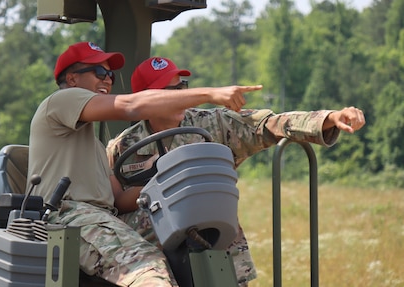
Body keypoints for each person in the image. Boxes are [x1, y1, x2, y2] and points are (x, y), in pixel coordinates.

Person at [106, 57, 366, 286]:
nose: (181, 95)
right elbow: (112, 208)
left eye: (182, 88)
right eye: (170, 91)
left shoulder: (213, 124)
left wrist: (329, 118)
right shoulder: (122, 148)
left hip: (216, 253)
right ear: (147, 98)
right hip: (152, 267)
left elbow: (266, 125)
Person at [28, 42, 262, 287]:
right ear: (72, 78)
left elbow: (118, 198)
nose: (107, 80)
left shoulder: (91, 144)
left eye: (110, 75)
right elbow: (131, 106)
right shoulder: (61, 100)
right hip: (69, 217)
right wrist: (209, 94)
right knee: (148, 270)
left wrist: (167, 181)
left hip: (104, 218)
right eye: (99, 72)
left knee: (194, 221)